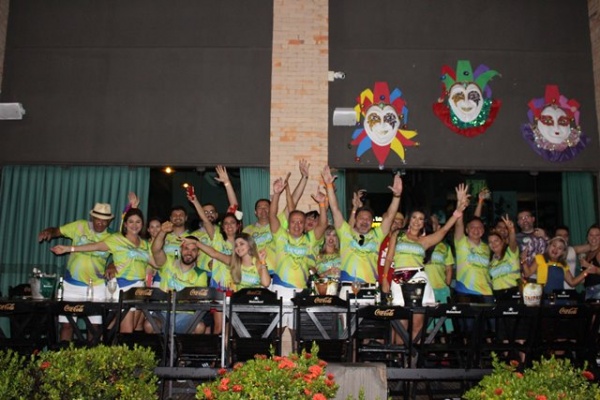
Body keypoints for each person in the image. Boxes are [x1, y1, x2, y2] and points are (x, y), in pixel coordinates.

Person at [382, 184, 468, 338]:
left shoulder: (425, 241)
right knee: (401, 321)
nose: (417, 221)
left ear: (424, 223)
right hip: (399, 278)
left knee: (418, 322)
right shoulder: (398, 234)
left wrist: (458, 209)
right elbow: (389, 258)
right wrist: (384, 279)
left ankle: (413, 351)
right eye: (414, 217)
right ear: (409, 219)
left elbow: (444, 230)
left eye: (421, 219)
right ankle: (401, 352)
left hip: (419, 279)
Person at [51, 208, 155, 333]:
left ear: (142, 224)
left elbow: (156, 263)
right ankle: (107, 344)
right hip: (122, 285)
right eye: (131, 221)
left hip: (138, 288)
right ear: (125, 224)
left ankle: (104, 342)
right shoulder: (117, 238)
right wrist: (69, 248)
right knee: (126, 330)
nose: (134, 225)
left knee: (132, 327)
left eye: (138, 222)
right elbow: (96, 246)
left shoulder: (145, 244)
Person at [38, 202, 115, 341]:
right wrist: (49, 231)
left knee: (94, 327)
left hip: (96, 286)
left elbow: (121, 256)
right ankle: (64, 353)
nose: (101, 223)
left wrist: (112, 265)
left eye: (105, 221)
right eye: (98, 219)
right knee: (67, 325)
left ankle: (92, 355)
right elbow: (58, 231)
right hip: (71, 285)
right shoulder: (79, 226)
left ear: (109, 221)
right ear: (92, 218)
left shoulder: (113, 236)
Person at [321, 165, 403, 284]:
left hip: (370, 287)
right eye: (361, 218)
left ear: (372, 222)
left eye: (368, 219)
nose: (365, 221)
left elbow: (390, 216)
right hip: (347, 286)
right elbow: (335, 209)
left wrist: (397, 196)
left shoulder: (377, 235)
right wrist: (329, 185)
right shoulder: (345, 231)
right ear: (355, 219)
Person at [269, 175, 328, 329]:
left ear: (304, 224)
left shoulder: (310, 239)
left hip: (301, 290)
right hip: (280, 288)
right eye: (293, 221)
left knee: (297, 333)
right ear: (288, 223)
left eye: (300, 222)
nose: (297, 225)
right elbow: (272, 216)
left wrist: (322, 204)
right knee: (277, 332)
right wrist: (276, 194)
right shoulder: (281, 236)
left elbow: (323, 225)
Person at [149, 223, 209, 334]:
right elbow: (156, 250)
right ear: (180, 249)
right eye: (186, 248)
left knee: (199, 327)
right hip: (163, 312)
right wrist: (162, 231)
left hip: (186, 315)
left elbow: (197, 299)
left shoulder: (201, 274)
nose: (189, 253)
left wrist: (179, 297)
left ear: (198, 253)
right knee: (149, 325)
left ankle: (184, 346)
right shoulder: (168, 262)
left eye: (194, 250)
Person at [188, 232, 271, 291]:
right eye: (236, 245)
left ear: (250, 245)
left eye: (241, 244)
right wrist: (196, 242)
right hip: (239, 302)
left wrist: (262, 261)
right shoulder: (234, 261)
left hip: (256, 302)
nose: (238, 248)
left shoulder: (258, 262)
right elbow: (214, 253)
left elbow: (266, 283)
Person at [523, 236, 593, 295]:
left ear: (563, 252)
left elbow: (572, 282)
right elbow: (527, 274)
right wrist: (523, 261)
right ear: (549, 246)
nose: (555, 249)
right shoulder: (540, 258)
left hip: (560, 298)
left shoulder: (563, 264)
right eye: (554, 246)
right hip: (544, 297)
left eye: (560, 248)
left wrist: (586, 272)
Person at [454, 202, 494, 303]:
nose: (476, 230)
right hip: (465, 292)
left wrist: (480, 201)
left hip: (486, 292)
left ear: (483, 230)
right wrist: (460, 204)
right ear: (466, 230)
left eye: (479, 227)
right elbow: (458, 224)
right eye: (472, 227)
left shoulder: (487, 247)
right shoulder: (462, 242)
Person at [423, 213, 455, 304]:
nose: (430, 224)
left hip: (441, 289)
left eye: (433, 222)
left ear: (438, 227)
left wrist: (447, 286)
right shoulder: (419, 243)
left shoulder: (445, 246)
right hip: (423, 288)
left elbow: (449, 269)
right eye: (428, 222)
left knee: (442, 313)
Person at [488, 215, 521, 301]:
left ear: (502, 241)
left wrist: (511, 230)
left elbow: (512, 241)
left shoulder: (510, 252)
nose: (493, 244)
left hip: (512, 292)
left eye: (496, 241)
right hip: (497, 294)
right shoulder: (491, 261)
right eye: (490, 242)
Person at [575, 224, 600, 301]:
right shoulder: (588, 253)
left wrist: (595, 269)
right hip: (590, 290)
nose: (594, 238)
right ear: (587, 237)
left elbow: (594, 270)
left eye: (597, 235)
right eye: (591, 235)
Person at [554, 225, 579, 290]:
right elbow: (572, 282)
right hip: (554, 291)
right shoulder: (550, 253)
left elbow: (592, 246)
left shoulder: (572, 249)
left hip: (570, 290)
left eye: (565, 236)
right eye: (559, 235)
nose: (563, 238)